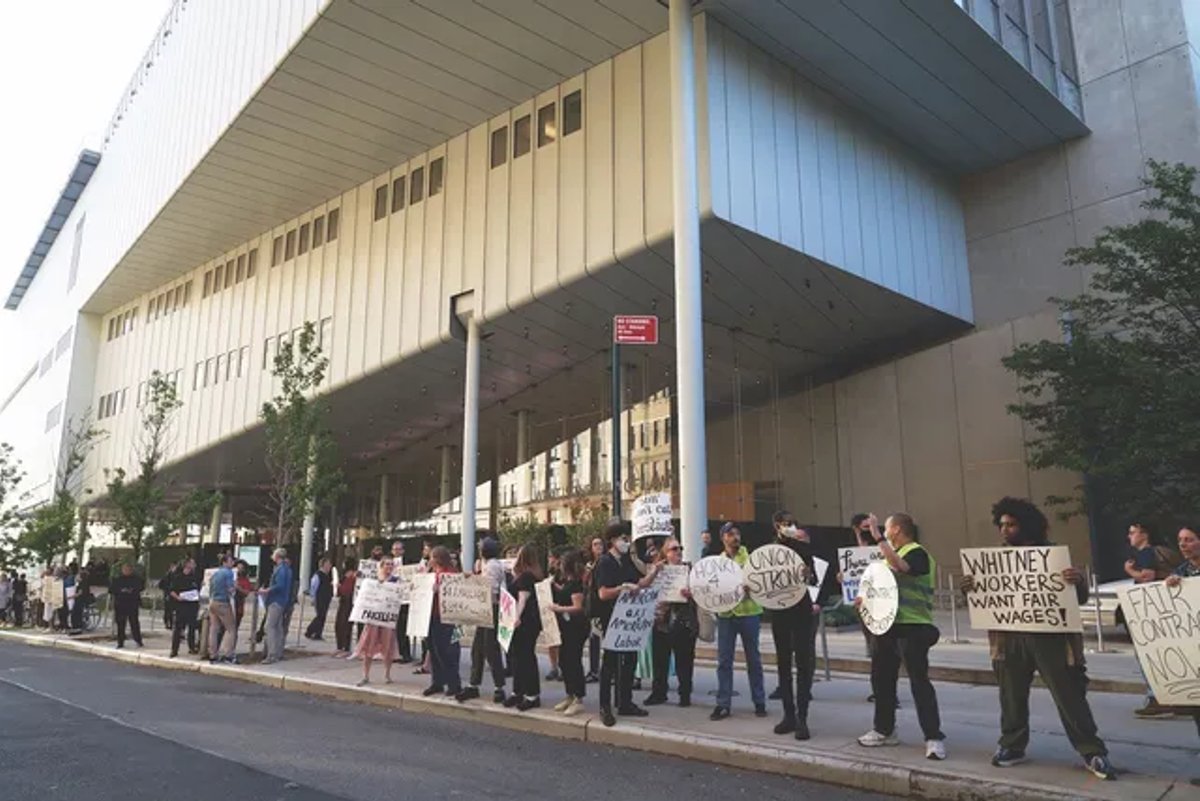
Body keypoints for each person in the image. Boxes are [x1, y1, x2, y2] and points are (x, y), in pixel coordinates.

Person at [960, 498, 1113, 780]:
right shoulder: (992, 560)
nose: (1004, 530)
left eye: (1011, 524)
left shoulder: (1054, 556)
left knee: (1069, 695)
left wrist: (1076, 581)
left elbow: (1077, 600)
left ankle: (1091, 750)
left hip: (1052, 639)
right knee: (1011, 696)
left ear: (1027, 525)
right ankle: (1012, 745)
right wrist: (968, 587)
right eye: (1002, 525)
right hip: (1008, 639)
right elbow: (982, 601)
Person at [855, 513, 946, 761]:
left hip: (913, 627)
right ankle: (884, 730)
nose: (883, 533)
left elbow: (902, 568)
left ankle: (933, 737)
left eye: (886, 529)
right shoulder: (887, 560)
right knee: (882, 681)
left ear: (896, 530)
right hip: (886, 628)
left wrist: (876, 537)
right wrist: (864, 600)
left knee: (919, 682)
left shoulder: (917, 553)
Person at [594, 522, 659, 727]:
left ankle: (625, 701)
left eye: (627, 538)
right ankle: (605, 705)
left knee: (630, 659)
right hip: (611, 619)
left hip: (628, 620)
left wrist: (654, 572)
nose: (626, 542)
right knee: (610, 663)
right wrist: (621, 588)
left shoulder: (627, 562)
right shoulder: (605, 562)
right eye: (622, 538)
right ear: (612, 540)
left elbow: (640, 584)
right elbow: (603, 593)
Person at [766, 511, 820, 739]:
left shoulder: (803, 545)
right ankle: (788, 715)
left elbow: (816, 577)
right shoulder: (770, 550)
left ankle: (803, 717)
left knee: (804, 664)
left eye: (792, 522)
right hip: (780, 612)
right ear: (777, 526)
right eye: (784, 523)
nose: (789, 526)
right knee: (784, 664)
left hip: (802, 611)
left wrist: (802, 544)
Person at [711, 522, 767, 722]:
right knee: (724, 661)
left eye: (737, 533)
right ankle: (723, 704)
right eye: (730, 534)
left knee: (754, 660)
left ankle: (759, 701)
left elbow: (761, 583)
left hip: (749, 613)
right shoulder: (718, 561)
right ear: (723, 538)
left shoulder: (750, 558)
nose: (735, 537)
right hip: (727, 616)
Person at [1124, 523, 1181, 718]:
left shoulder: (1146, 552)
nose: (1129, 536)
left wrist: (1130, 571)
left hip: (1152, 612)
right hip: (1168, 610)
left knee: (1147, 654)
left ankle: (1157, 697)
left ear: (1144, 534)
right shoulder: (1162, 551)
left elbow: (1148, 576)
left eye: (1132, 532)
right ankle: (1178, 697)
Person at [1163, 525, 1200, 788]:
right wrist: (1168, 588)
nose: (1183, 545)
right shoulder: (1181, 573)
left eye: (1189, 540)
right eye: (1180, 540)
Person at [643, 536, 697, 708]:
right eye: (674, 549)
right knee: (660, 660)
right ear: (665, 553)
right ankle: (659, 693)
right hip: (661, 620)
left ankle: (685, 694)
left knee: (684, 660)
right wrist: (654, 573)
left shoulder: (690, 569)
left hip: (683, 621)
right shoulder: (658, 569)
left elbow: (702, 592)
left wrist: (691, 594)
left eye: (680, 548)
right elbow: (645, 588)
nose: (679, 551)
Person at [457, 536, 507, 703]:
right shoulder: (488, 564)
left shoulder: (492, 565)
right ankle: (474, 684)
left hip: (490, 608)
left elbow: (490, 588)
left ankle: (498, 687)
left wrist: (473, 580)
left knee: (490, 648)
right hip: (486, 608)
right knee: (478, 648)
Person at [548, 548, 588, 716]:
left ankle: (579, 698)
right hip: (566, 627)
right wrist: (553, 586)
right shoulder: (568, 583)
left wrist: (558, 608)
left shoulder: (576, 584)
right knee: (564, 660)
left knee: (573, 661)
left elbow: (578, 607)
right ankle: (569, 694)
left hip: (575, 628)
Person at [505, 544, 544, 711]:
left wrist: (517, 617)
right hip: (529, 621)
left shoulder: (526, 577)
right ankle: (519, 691)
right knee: (517, 656)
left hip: (524, 621)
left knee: (524, 656)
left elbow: (523, 598)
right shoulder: (530, 575)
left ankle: (531, 694)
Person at [423, 546, 463, 697]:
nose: (430, 560)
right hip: (433, 615)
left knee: (448, 651)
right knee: (434, 650)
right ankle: (437, 681)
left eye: (432, 557)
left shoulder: (450, 574)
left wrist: (438, 589)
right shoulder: (434, 573)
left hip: (447, 618)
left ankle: (454, 683)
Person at [353, 558, 400, 685]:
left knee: (388, 647)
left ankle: (387, 675)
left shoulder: (396, 581)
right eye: (387, 564)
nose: (389, 567)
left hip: (387, 619)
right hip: (373, 618)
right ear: (382, 566)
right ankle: (366, 675)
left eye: (391, 564)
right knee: (369, 646)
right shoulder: (373, 580)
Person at [258, 548, 293, 665]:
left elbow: (280, 585)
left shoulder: (281, 570)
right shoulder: (287, 569)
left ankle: (272, 654)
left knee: (269, 627)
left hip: (276, 601)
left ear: (277, 556)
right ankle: (278, 652)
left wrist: (267, 590)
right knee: (278, 627)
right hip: (282, 601)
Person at [544, 546, 569, 682]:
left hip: (560, 606)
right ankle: (553, 666)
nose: (549, 560)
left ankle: (562, 667)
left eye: (551, 557)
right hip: (549, 605)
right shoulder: (549, 571)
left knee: (560, 639)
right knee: (551, 639)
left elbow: (566, 590)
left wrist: (553, 584)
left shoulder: (563, 572)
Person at [207, 553, 238, 663]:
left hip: (213, 601)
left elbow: (210, 587)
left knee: (214, 629)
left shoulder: (216, 573)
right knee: (231, 629)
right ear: (225, 562)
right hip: (223, 602)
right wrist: (235, 586)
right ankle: (228, 654)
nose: (232, 563)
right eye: (230, 561)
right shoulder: (228, 573)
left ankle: (212, 654)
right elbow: (230, 589)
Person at [169, 558, 202, 657]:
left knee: (192, 628)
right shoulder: (178, 577)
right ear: (187, 565)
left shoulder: (195, 577)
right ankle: (174, 650)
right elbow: (171, 591)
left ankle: (191, 647)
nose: (194, 565)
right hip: (181, 606)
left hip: (193, 606)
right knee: (178, 629)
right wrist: (178, 597)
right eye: (192, 563)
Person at [583, 536, 604, 683]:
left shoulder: (607, 562)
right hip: (593, 605)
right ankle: (594, 669)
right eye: (595, 544)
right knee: (594, 638)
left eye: (600, 544)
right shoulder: (590, 564)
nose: (598, 547)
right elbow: (584, 582)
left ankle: (609, 670)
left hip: (605, 604)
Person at [389, 540, 413, 663]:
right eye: (394, 549)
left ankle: (406, 654)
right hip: (393, 598)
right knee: (396, 628)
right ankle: (397, 653)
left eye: (398, 549)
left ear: (403, 550)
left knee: (404, 627)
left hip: (405, 599)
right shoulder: (389, 563)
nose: (396, 552)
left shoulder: (408, 562)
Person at [111, 562, 144, 648]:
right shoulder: (117, 579)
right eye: (125, 569)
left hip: (132, 604)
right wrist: (122, 591)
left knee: (134, 623)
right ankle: (120, 642)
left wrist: (130, 590)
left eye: (128, 569)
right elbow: (112, 590)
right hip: (120, 604)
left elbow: (140, 588)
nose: (126, 571)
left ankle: (138, 640)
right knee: (121, 624)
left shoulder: (136, 579)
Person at [305, 557, 334, 641]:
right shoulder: (318, 575)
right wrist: (313, 598)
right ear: (324, 565)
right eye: (328, 564)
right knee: (320, 615)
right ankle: (310, 630)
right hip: (319, 598)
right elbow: (314, 586)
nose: (330, 566)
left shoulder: (327, 576)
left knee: (323, 616)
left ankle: (318, 633)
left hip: (326, 598)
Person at [333, 559, 357, 657]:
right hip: (343, 601)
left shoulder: (354, 577)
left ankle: (346, 648)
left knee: (346, 625)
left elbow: (349, 589)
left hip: (350, 601)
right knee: (339, 624)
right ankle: (339, 646)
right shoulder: (344, 576)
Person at [233, 561, 253, 627]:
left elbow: (247, 592)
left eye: (241, 568)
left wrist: (238, 588)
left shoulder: (245, 580)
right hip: (227, 606)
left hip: (239, 606)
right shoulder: (230, 576)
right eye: (237, 567)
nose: (239, 570)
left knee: (235, 626)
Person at [159, 562, 177, 630]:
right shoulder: (167, 576)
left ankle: (172, 623)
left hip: (174, 595)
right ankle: (167, 622)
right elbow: (161, 585)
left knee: (173, 610)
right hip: (168, 594)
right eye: (173, 567)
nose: (174, 569)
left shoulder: (176, 576)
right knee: (168, 610)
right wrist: (166, 591)